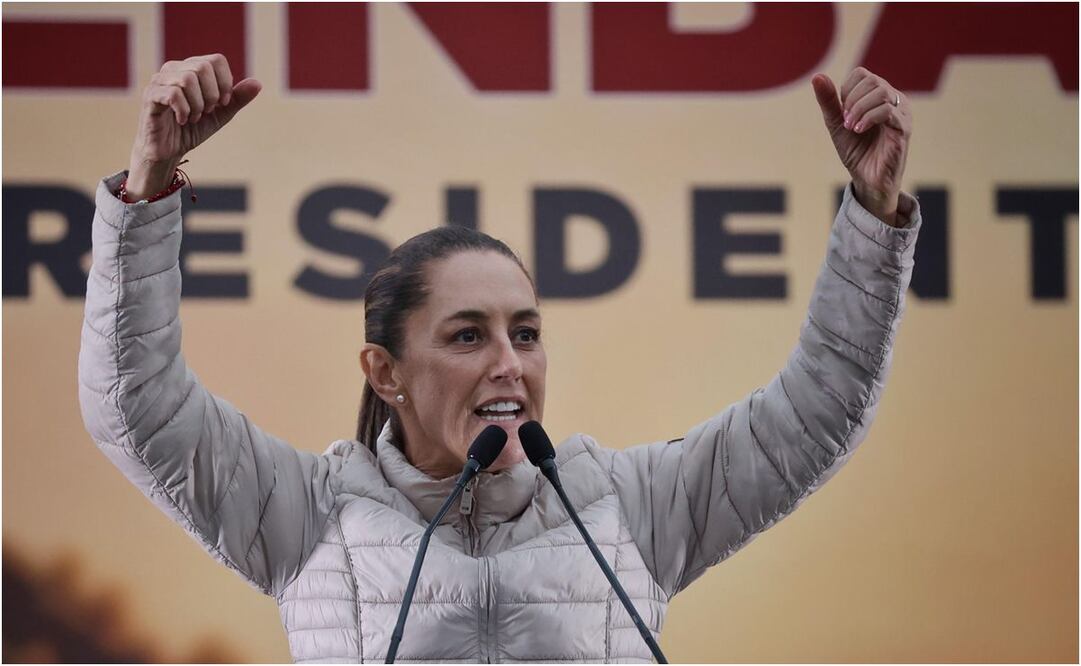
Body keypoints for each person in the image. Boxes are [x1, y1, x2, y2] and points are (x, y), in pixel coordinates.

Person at [78, 53, 920, 663]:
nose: (509, 364)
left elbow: (817, 410)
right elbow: (134, 404)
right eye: (467, 335)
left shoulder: (634, 506)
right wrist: (148, 187)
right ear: (385, 372)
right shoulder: (304, 513)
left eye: (525, 333)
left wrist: (874, 216)